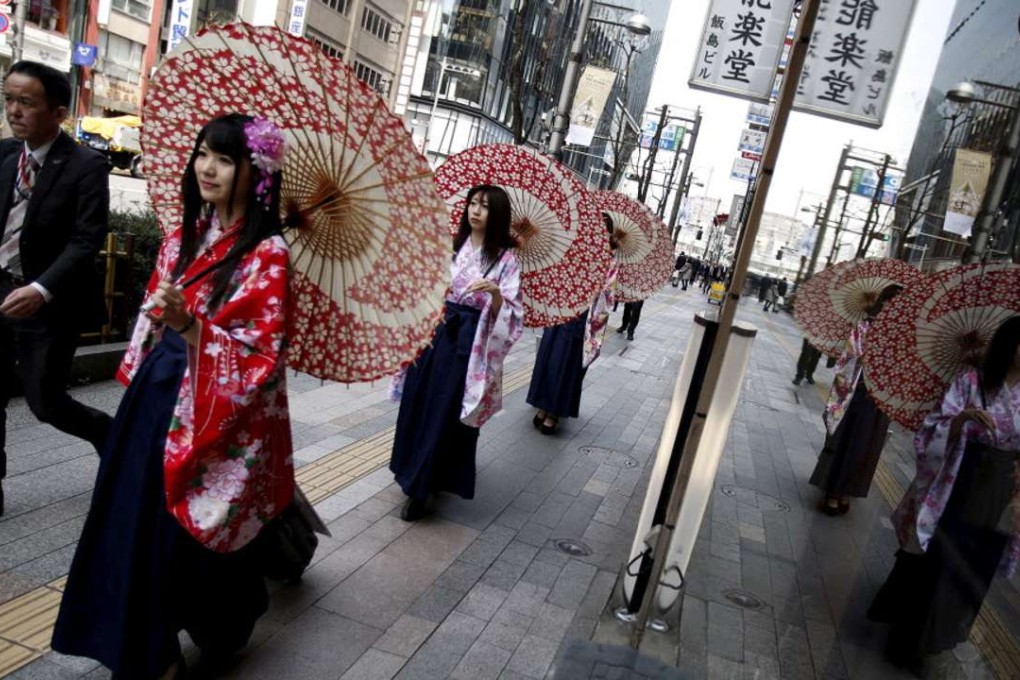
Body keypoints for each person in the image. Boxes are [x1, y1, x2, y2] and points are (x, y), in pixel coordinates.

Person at [52, 114, 295, 679]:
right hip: (159, 394)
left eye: (226, 159)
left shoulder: (269, 255)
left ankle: (204, 626)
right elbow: (154, 317)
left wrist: (190, 327)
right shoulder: (185, 234)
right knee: (135, 522)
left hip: (215, 410)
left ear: (255, 172)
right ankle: (150, 644)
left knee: (184, 534)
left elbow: (262, 358)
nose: (207, 168)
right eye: (203, 154)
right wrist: (163, 328)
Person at [869, 316, 1020, 671]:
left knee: (972, 566)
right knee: (938, 560)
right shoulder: (971, 381)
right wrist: (962, 419)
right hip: (958, 478)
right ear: (1008, 344)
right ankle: (909, 641)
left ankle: (935, 638)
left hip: (998, 489)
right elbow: (933, 427)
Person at [0, 61, 113, 516]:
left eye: (26, 102)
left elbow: (87, 239)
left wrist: (42, 288)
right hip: (0, 291)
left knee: (45, 402)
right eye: (8, 99)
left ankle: (108, 434)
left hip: (49, 305)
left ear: (58, 112)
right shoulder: (5, 155)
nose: (14, 110)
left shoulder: (87, 165)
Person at [390, 184, 523, 522]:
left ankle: (422, 488)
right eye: (472, 203)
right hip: (434, 332)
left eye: (484, 206)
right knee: (419, 402)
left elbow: (512, 313)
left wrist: (495, 294)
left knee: (444, 410)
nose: (475, 211)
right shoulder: (451, 246)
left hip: (469, 343)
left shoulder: (506, 260)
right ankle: (412, 470)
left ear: (498, 215)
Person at [808, 285, 901, 515]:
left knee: (867, 448)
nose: (896, 308)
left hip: (881, 401)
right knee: (848, 442)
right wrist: (863, 360)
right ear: (884, 303)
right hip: (857, 393)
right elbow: (846, 359)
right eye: (892, 302)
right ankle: (833, 490)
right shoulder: (864, 327)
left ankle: (849, 489)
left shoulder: (904, 337)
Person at [529, 215, 618, 435]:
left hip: (582, 316)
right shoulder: (575, 248)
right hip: (561, 309)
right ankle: (542, 404)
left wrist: (598, 290)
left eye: (602, 231)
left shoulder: (610, 260)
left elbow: (610, 295)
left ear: (607, 235)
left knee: (565, 363)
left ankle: (554, 412)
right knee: (548, 357)